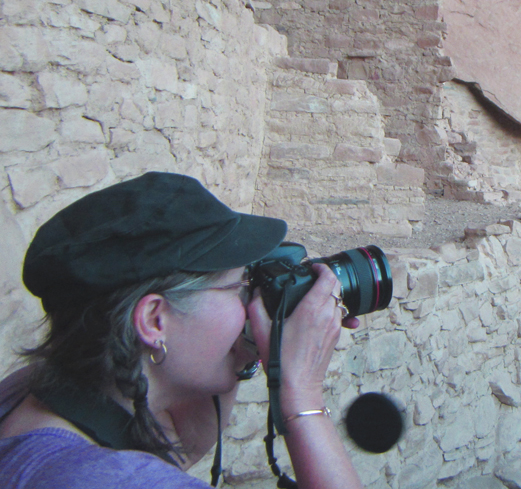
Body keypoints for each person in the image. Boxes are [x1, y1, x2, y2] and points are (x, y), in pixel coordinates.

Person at [0, 171, 365, 488]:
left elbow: (178, 445)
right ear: (154, 320)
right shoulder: (110, 480)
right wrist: (301, 394)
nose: (251, 302)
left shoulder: (36, 395)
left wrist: (252, 343)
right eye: (239, 286)